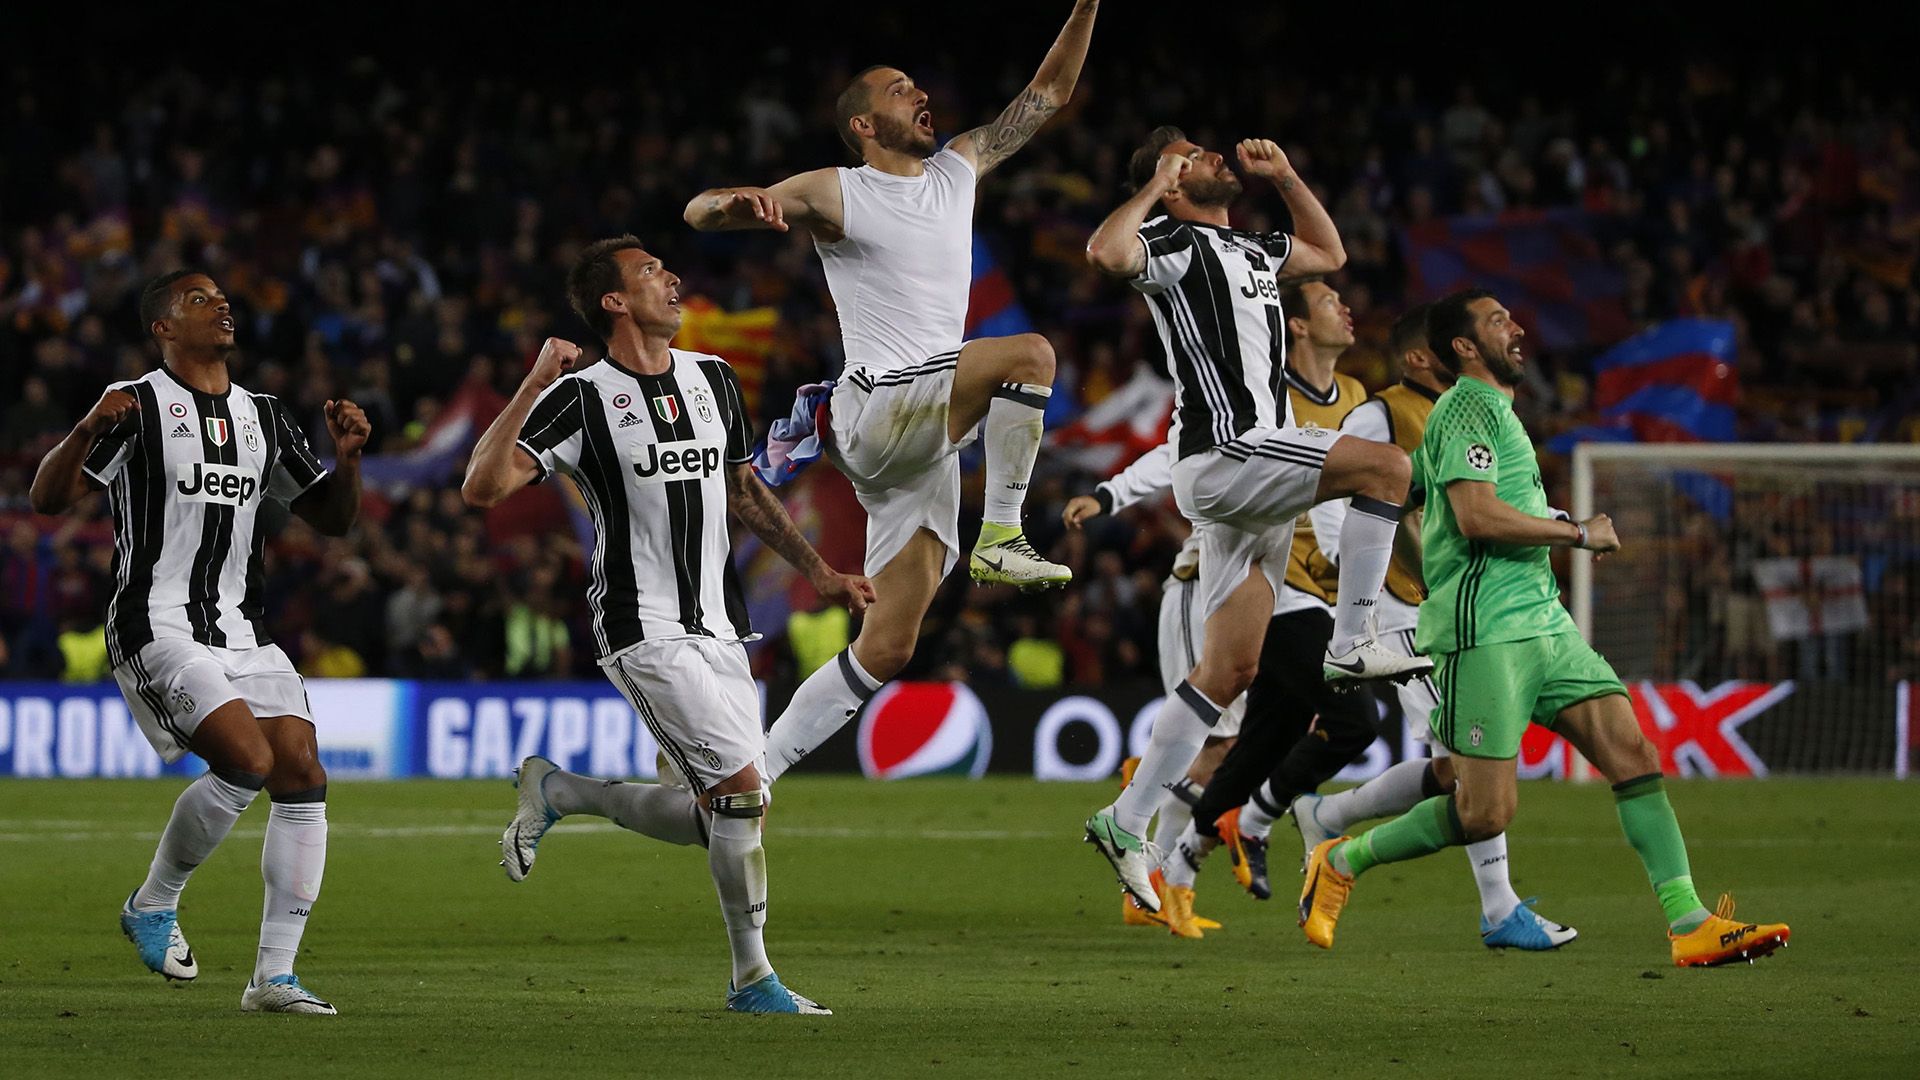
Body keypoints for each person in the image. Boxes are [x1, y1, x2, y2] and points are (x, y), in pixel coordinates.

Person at [1297, 288, 1790, 968]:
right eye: (1498, 320)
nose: (1517, 328)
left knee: (1634, 754)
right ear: (1465, 347)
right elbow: (1473, 516)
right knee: (1485, 812)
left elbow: (1414, 504)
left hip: (1543, 622)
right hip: (1486, 633)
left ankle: (1690, 922)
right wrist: (1575, 532)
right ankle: (1344, 857)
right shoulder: (1467, 406)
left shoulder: (1492, 410)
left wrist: (1429, 567)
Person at [683, 1, 1101, 780]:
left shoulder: (957, 169)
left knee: (888, 646)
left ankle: (745, 781)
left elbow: (1050, 93)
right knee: (1031, 355)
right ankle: (1002, 534)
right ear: (864, 126)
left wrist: (1085, 6)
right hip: (878, 407)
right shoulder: (840, 189)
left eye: (916, 84)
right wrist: (733, 204)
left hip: (926, 439)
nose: (919, 94)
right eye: (899, 88)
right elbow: (697, 213)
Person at [462, 236, 874, 1014]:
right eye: (651, 272)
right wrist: (533, 381)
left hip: (722, 624)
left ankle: (560, 792)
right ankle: (752, 981)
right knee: (743, 797)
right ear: (614, 302)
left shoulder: (713, 378)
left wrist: (819, 572)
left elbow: (744, 491)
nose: (673, 278)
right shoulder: (581, 396)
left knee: (722, 813)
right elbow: (482, 486)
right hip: (640, 623)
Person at [1080, 127, 1430, 911]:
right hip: (1231, 451)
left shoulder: (1254, 251)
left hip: (1254, 473)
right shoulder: (1167, 239)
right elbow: (1105, 252)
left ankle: (1125, 820)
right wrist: (1152, 184)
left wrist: (1289, 174)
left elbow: (1329, 253)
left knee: (1230, 670)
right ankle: (1355, 639)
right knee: (1388, 467)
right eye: (1193, 155)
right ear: (1170, 182)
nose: (1214, 157)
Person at [29, 270, 369, 1014]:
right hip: (158, 621)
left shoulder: (266, 416)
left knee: (302, 774)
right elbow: (47, 499)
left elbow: (334, 522)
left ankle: (273, 978)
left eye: (221, 299)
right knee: (245, 759)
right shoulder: (136, 404)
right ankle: (154, 902)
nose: (220, 306)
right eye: (197, 300)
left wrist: (346, 460)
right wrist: (87, 427)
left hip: (244, 629)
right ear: (162, 328)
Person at [1288, 302, 1574, 949]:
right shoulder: (1383, 413)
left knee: (1455, 771)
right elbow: (1339, 492)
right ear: (1424, 357)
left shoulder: (1468, 415)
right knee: (1475, 767)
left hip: (1453, 605)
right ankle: (1499, 910)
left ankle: (1325, 814)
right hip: (1402, 607)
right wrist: (1349, 571)